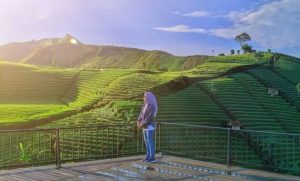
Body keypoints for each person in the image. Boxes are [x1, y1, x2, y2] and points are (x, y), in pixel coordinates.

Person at [137, 91, 157, 163]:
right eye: (144, 96)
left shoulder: (151, 106)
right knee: (146, 141)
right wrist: (138, 121)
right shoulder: (144, 106)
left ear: (149, 97)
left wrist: (142, 124)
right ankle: (148, 155)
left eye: (145, 97)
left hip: (149, 126)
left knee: (150, 141)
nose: (144, 98)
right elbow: (141, 115)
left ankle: (152, 157)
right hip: (144, 126)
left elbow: (150, 117)